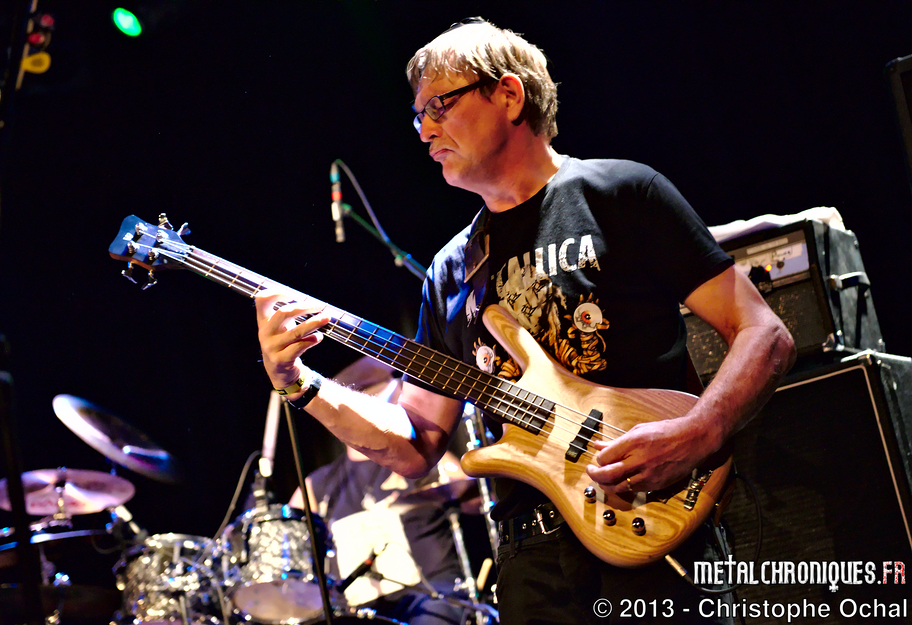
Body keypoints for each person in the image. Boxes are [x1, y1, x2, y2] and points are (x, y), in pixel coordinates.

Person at [255, 18, 795, 625]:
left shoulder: (620, 193)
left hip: (653, 526)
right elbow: (415, 443)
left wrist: (699, 431)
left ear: (508, 95)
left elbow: (763, 332)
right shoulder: (453, 269)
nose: (425, 130)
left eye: (439, 106)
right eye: (417, 116)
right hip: (531, 566)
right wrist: (301, 383)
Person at [288, 365, 470, 625]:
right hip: (359, 610)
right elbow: (288, 547)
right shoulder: (314, 486)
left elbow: (474, 494)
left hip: (432, 597)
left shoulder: (425, 460)